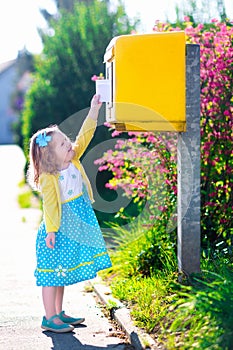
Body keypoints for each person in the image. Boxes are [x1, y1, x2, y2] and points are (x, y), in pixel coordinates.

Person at [27, 94, 112, 333]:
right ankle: (49, 317)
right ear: (50, 156)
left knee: (61, 272)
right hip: (57, 229)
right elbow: (50, 206)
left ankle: (59, 313)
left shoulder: (71, 160)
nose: (70, 146)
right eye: (64, 145)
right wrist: (52, 231)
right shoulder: (49, 177)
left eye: (67, 141)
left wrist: (93, 111)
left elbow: (84, 137)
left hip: (72, 225)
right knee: (51, 276)